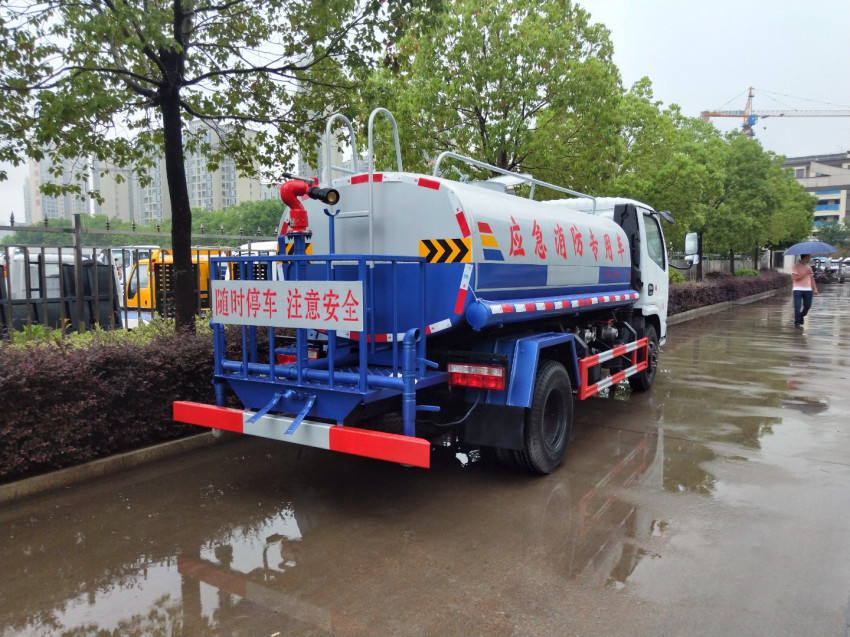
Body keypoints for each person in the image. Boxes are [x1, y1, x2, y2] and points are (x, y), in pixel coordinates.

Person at [791, 254, 818, 328]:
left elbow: (812, 279)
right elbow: (794, 277)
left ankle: (801, 316)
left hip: (808, 289)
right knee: (797, 306)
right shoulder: (796, 266)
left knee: (807, 306)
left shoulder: (809, 267)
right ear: (805, 257)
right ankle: (797, 322)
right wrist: (805, 273)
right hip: (797, 289)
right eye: (808, 257)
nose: (809, 258)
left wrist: (815, 288)